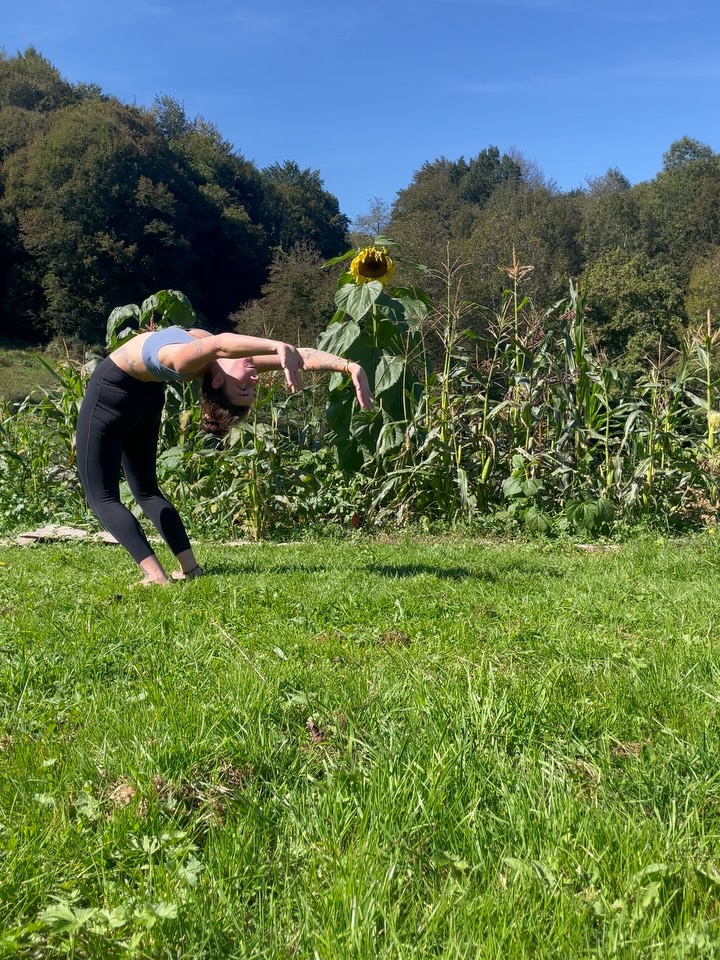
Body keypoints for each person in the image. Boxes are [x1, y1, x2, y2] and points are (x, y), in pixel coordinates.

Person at [76, 326, 373, 585]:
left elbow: (219, 343)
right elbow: (298, 357)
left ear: (218, 382)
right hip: (146, 396)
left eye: (243, 388)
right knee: (146, 491)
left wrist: (281, 347)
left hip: (111, 392)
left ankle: (155, 576)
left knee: (102, 496)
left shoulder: (184, 361)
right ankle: (190, 569)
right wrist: (348, 367)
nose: (254, 382)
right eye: (250, 389)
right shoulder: (224, 363)